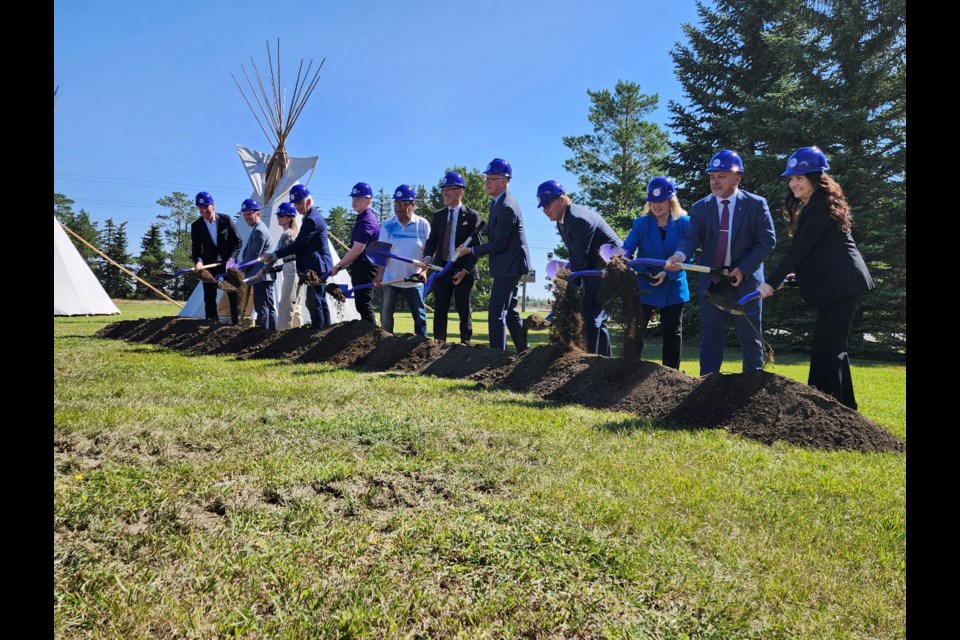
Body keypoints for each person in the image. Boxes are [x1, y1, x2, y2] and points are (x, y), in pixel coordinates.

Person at [758, 146, 874, 409]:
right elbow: (821, 251)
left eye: (800, 178)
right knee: (829, 347)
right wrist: (796, 275)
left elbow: (798, 250)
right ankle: (840, 407)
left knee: (829, 349)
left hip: (843, 283)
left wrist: (770, 283)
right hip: (841, 282)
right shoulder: (816, 204)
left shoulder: (819, 207)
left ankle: (828, 410)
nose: (793, 183)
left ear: (815, 178)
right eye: (791, 178)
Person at [666, 149, 776, 374]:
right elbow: (691, 239)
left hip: (745, 284)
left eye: (721, 176)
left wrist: (743, 270)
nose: (715, 182)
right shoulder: (700, 207)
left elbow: (767, 241)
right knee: (711, 338)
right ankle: (706, 386)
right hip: (713, 283)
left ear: (737, 178)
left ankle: (751, 388)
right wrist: (679, 256)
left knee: (750, 339)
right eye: (712, 176)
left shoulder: (756, 205)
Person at [536, 180, 621, 356]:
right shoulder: (563, 220)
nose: (545, 210)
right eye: (542, 206)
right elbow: (576, 257)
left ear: (562, 199)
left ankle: (588, 365)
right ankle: (605, 363)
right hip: (594, 270)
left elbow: (580, 259)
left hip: (608, 269)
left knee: (590, 315)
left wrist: (568, 288)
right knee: (596, 318)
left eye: (548, 204)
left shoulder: (578, 219)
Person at [457, 158, 531, 352]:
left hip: (509, 265)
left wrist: (470, 250)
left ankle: (497, 356)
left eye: (492, 178)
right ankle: (526, 352)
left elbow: (499, 243)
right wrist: (480, 230)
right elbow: (495, 228)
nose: (487, 182)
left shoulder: (507, 206)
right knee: (510, 312)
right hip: (509, 264)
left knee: (496, 312)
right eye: (486, 178)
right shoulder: (497, 203)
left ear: (504, 181)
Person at [621, 177, 691, 369]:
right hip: (646, 284)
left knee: (672, 331)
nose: (656, 205)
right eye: (652, 201)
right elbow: (627, 248)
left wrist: (667, 274)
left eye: (661, 201)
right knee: (636, 329)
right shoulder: (641, 224)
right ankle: (629, 369)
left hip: (673, 283)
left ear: (671, 201)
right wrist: (620, 259)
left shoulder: (684, 223)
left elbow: (689, 254)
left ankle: (670, 373)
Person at [259, 184, 334, 329]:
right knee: (318, 300)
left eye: (300, 202)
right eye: (295, 203)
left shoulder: (311, 219)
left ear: (309, 201)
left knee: (315, 301)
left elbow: (298, 245)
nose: (298, 207)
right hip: (317, 265)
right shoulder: (310, 217)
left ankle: (319, 332)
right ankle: (325, 331)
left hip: (318, 266)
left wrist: (274, 255)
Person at [423, 171, 484, 345]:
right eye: (444, 189)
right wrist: (428, 257)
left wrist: (465, 271)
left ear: (460, 191)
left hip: (464, 270)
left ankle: (465, 345)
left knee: (464, 310)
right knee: (440, 309)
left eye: (450, 189)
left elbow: (476, 248)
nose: (445, 193)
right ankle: (438, 344)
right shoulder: (438, 216)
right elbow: (432, 241)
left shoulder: (472, 216)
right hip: (442, 269)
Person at [375, 184, 431, 337]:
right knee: (386, 316)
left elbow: (428, 251)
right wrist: (380, 275)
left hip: (414, 279)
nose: (398, 207)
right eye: (396, 203)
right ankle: (386, 345)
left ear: (412, 205)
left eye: (403, 203)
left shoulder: (423, 225)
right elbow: (382, 253)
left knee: (420, 317)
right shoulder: (387, 225)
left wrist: (424, 272)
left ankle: (422, 345)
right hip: (391, 279)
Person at [329, 182, 381, 325]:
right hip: (361, 266)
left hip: (366, 267)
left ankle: (373, 336)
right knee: (361, 304)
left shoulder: (367, 221)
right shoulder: (362, 218)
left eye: (359, 198)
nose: (354, 202)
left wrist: (338, 266)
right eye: (353, 198)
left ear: (368, 200)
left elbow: (357, 250)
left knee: (364, 305)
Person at [191, 191, 242, 324]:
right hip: (209, 265)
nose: (203, 210)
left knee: (233, 294)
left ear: (213, 206)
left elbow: (238, 242)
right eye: (200, 208)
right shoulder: (196, 226)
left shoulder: (226, 220)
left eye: (206, 207)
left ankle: (236, 323)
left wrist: (232, 259)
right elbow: (196, 249)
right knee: (209, 296)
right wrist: (199, 262)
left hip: (227, 265)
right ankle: (211, 323)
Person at [238, 199, 277, 330]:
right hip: (261, 275)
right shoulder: (257, 229)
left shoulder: (259, 231)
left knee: (263, 306)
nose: (246, 217)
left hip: (261, 275)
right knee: (266, 305)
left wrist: (239, 269)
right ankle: (269, 333)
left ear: (258, 214)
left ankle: (264, 334)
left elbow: (254, 255)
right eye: (244, 215)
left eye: (249, 214)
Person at [273, 202, 304, 330]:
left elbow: (277, 254)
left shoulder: (288, 234)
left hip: (291, 268)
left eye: (282, 216)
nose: (279, 218)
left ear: (290, 218)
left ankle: (282, 332)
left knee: (286, 303)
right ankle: (297, 333)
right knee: (295, 305)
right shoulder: (292, 233)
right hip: (293, 267)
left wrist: (265, 268)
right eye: (279, 216)